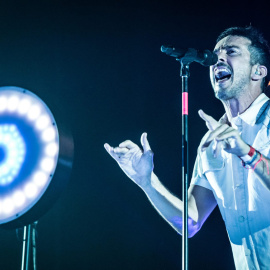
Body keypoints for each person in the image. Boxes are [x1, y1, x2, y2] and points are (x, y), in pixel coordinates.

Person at [104, 26, 270, 269]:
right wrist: (147, 182)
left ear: (258, 71)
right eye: (215, 54)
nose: (217, 59)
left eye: (231, 52)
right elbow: (190, 222)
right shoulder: (211, 142)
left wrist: (247, 153)